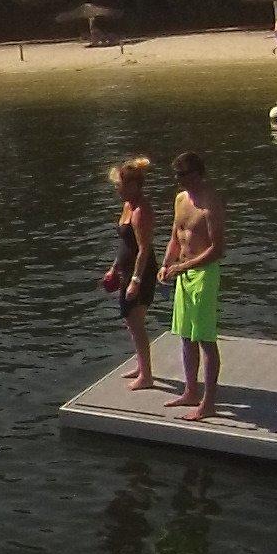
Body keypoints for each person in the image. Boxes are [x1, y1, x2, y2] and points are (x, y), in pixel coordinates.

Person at [158, 150, 226, 421]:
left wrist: (182, 267)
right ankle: (190, 391)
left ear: (197, 174)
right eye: (176, 176)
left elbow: (217, 249)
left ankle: (208, 402)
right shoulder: (180, 199)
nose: (178, 181)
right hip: (182, 274)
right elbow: (176, 235)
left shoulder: (211, 205)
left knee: (205, 339)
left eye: (182, 175)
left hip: (204, 275)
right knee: (186, 336)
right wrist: (166, 264)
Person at [102, 157, 160, 389]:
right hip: (126, 269)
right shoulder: (127, 206)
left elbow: (144, 249)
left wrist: (136, 280)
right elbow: (124, 244)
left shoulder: (141, 211)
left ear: (134, 186)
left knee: (136, 321)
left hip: (141, 271)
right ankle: (141, 365)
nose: (117, 189)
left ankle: (146, 376)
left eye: (120, 185)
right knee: (129, 320)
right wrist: (114, 267)